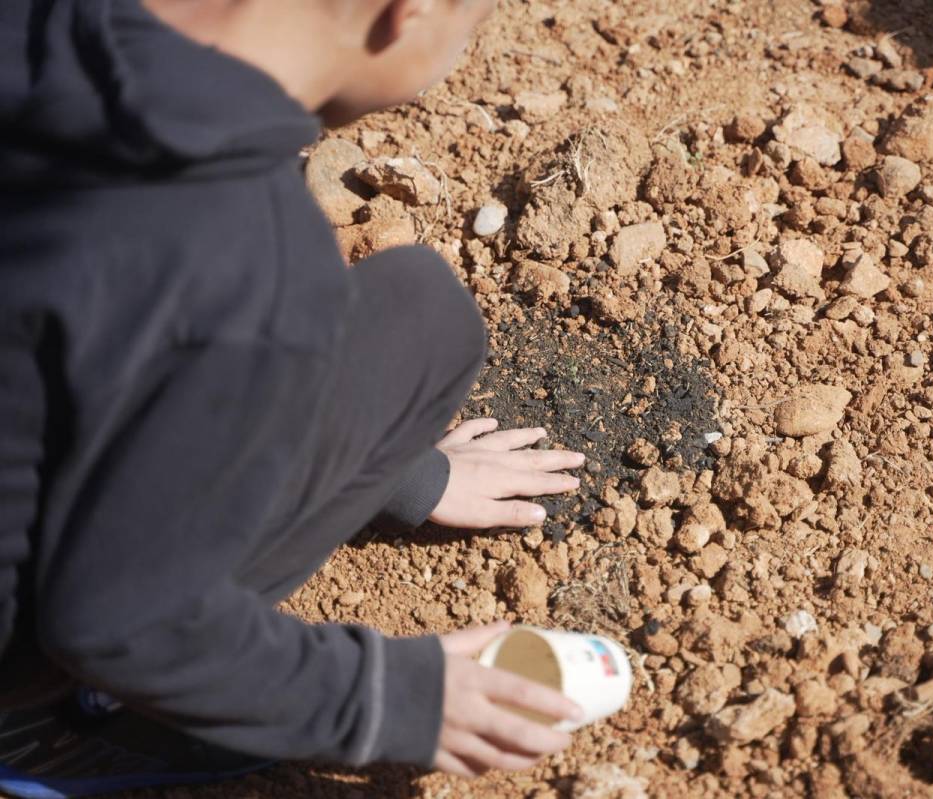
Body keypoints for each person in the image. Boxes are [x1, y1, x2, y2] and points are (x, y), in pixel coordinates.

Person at [0, 0, 588, 795]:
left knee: (409, 319)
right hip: (44, 637)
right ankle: (45, 726)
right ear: (409, 12)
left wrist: (399, 470)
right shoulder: (251, 268)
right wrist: (385, 695)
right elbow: (117, 619)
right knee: (427, 319)